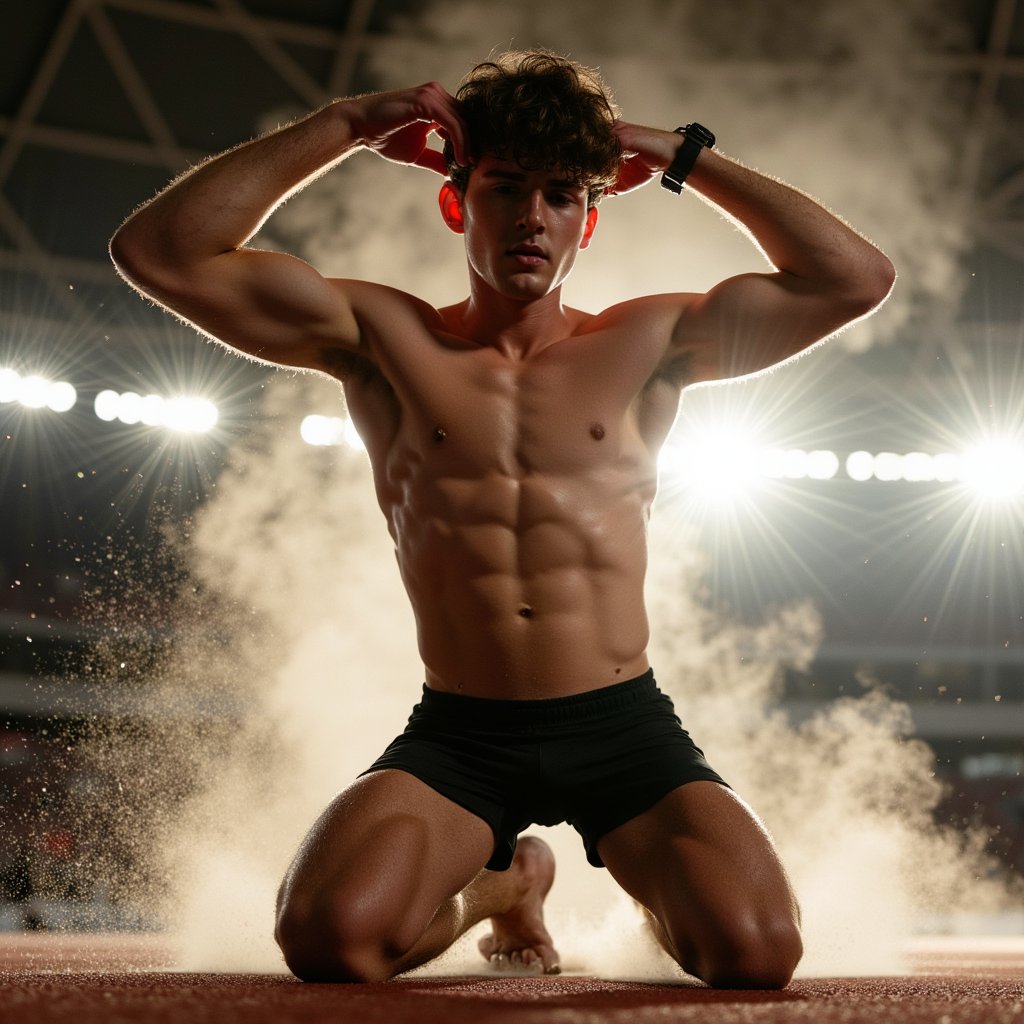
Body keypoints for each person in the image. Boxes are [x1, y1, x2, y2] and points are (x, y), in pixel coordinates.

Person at [110, 50, 895, 989]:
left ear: (588, 225)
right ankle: (505, 886)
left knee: (756, 952)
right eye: (506, 187)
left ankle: (644, 879)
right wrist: (347, 125)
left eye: (562, 194)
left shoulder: (649, 341)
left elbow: (854, 277)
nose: (532, 217)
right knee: (331, 942)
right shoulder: (381, 338)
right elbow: (159, 252)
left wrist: (680, 155)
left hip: (622, 729)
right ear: (457, 204)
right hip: (462, 737)